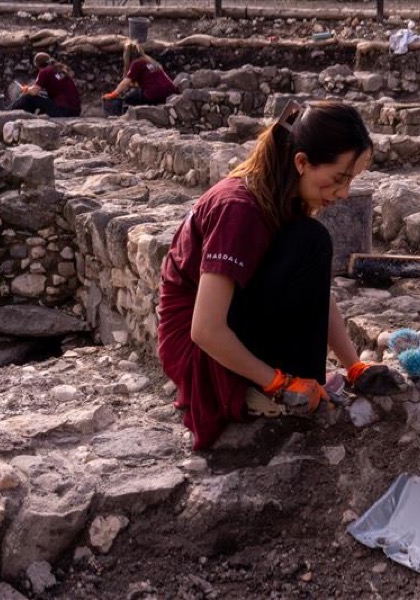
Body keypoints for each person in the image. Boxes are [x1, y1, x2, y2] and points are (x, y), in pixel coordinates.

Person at [157, 101, 405, 450]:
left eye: (351, 180)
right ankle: (259, 388)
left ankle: (292, 379)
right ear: (301, 162)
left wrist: (354, 367)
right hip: (199, 353)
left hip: (229, 325)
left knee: (311, 241)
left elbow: (314, 291)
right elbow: (205, 329)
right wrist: (279, 384)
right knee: (311, 240)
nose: (344, 193)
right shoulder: (239, 209)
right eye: (339, 178)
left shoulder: (278, 193)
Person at [103, 41, 178, 109]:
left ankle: (129, 114)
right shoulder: (150, 61)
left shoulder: (136, 63)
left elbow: (126, 81)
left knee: (130, 97)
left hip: (154, 94)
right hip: (170, 92)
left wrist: (113, 94)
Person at [8, 52, 81, 117]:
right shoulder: (61, 69)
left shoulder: (45, 71)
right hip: (75, 111)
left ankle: (10, 113)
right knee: (41, 95)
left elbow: (34, 92)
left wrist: (26, 89)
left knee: (28, 98)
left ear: (37, 65)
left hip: (62, 110)